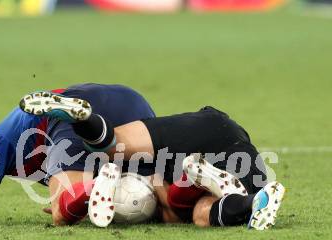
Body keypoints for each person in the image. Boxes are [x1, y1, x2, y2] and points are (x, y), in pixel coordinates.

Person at [19, 92, 286, 230]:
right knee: (116, 144)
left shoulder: (141, 184)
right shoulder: (127, 172)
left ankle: (85, 121)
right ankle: (252, 201)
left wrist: (77, 202)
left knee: (193, 214)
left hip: (194, 142)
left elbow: (159, 191)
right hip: (220, 131)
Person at [0, 83, 159, 226]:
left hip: (68, 116)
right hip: (132, 101)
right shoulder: (6, 134)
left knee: (62, 215)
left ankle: (90, 187)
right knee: (161, 194)